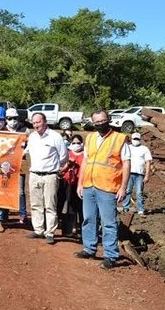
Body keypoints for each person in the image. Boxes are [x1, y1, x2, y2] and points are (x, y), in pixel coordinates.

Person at [75, 110, 130, 270]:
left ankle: (111, 255)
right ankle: (89, 248)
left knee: (109, 223)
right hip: (89, 185)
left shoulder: (119, 139)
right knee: (89, 219)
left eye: (103, 121)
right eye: (96, 122)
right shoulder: (90, 138)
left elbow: (126, 164)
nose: (100, 124)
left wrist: (123, 187)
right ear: (93, 122)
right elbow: (85, 162)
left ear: (109, 120)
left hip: (108, 186)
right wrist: (80, 183)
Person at [25, 112, 68, 244]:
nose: (36, 125)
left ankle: (50, 232)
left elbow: (63, 156)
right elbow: (26, 153)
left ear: (45, 122)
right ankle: (38, 230)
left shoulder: (55, 137)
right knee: (35, 204)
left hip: (50, 175)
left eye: (38, 122)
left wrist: (56, 168)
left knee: (50, 205)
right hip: (34, 174)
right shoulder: (32, 137)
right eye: (34, 123)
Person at [5, 108, 31, 223]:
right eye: (10, 118)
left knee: (20, 191)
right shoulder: (2, 130)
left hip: (20, 164)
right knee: (4, 188)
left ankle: (23, 214)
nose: (12, 121)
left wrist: (25, 152)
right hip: (5, 164)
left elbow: (30, 145)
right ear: (6, 119)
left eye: (14, 118)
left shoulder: (25, 130)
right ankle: (4, 214)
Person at [57, 134, 85, 236]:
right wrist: (68, 165)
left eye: (78, 143)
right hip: (68, 183)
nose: (76, 145)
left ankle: (82, 229)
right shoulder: (67, 154)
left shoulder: (85, 155)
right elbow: (61, 170)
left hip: (81, 183)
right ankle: (70, 228)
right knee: (69, 205)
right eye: (74, 143)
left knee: (81, 207)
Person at [122, 132, 152, 216]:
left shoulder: (144, 149)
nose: (136, 140)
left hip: (139, 174)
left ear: (140, 140)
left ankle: (141, 209)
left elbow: (148, 162)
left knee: (139, 192)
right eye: (134, 139)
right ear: (131, 139)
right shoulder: (128, 148)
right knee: (127, 191)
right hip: (129, 173)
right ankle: (125, 208)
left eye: (137, 139)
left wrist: (147, 175)